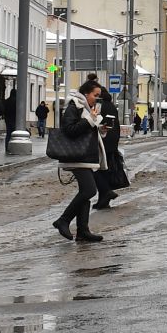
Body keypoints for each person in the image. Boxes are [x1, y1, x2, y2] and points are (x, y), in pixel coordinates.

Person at [50, 79, 108, 243]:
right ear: (86, 94)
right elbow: (69, 130)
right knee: (89, 191)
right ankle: (63, 220)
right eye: (95, 95)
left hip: (86, 156)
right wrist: (90, 120)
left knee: (86, 192)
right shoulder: (73, 106)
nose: (97, 98)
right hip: (76, 156)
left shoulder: (88, 109)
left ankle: (83, 231)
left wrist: (101, 128)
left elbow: (87, 130)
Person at [93, 79, 123, 208]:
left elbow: (96, 122)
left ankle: (106, 192)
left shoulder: (99, 106)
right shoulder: (111, 105)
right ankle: (103, 200)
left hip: (102, 141)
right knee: (105, 170)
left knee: (95, 169)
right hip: (112, 142)